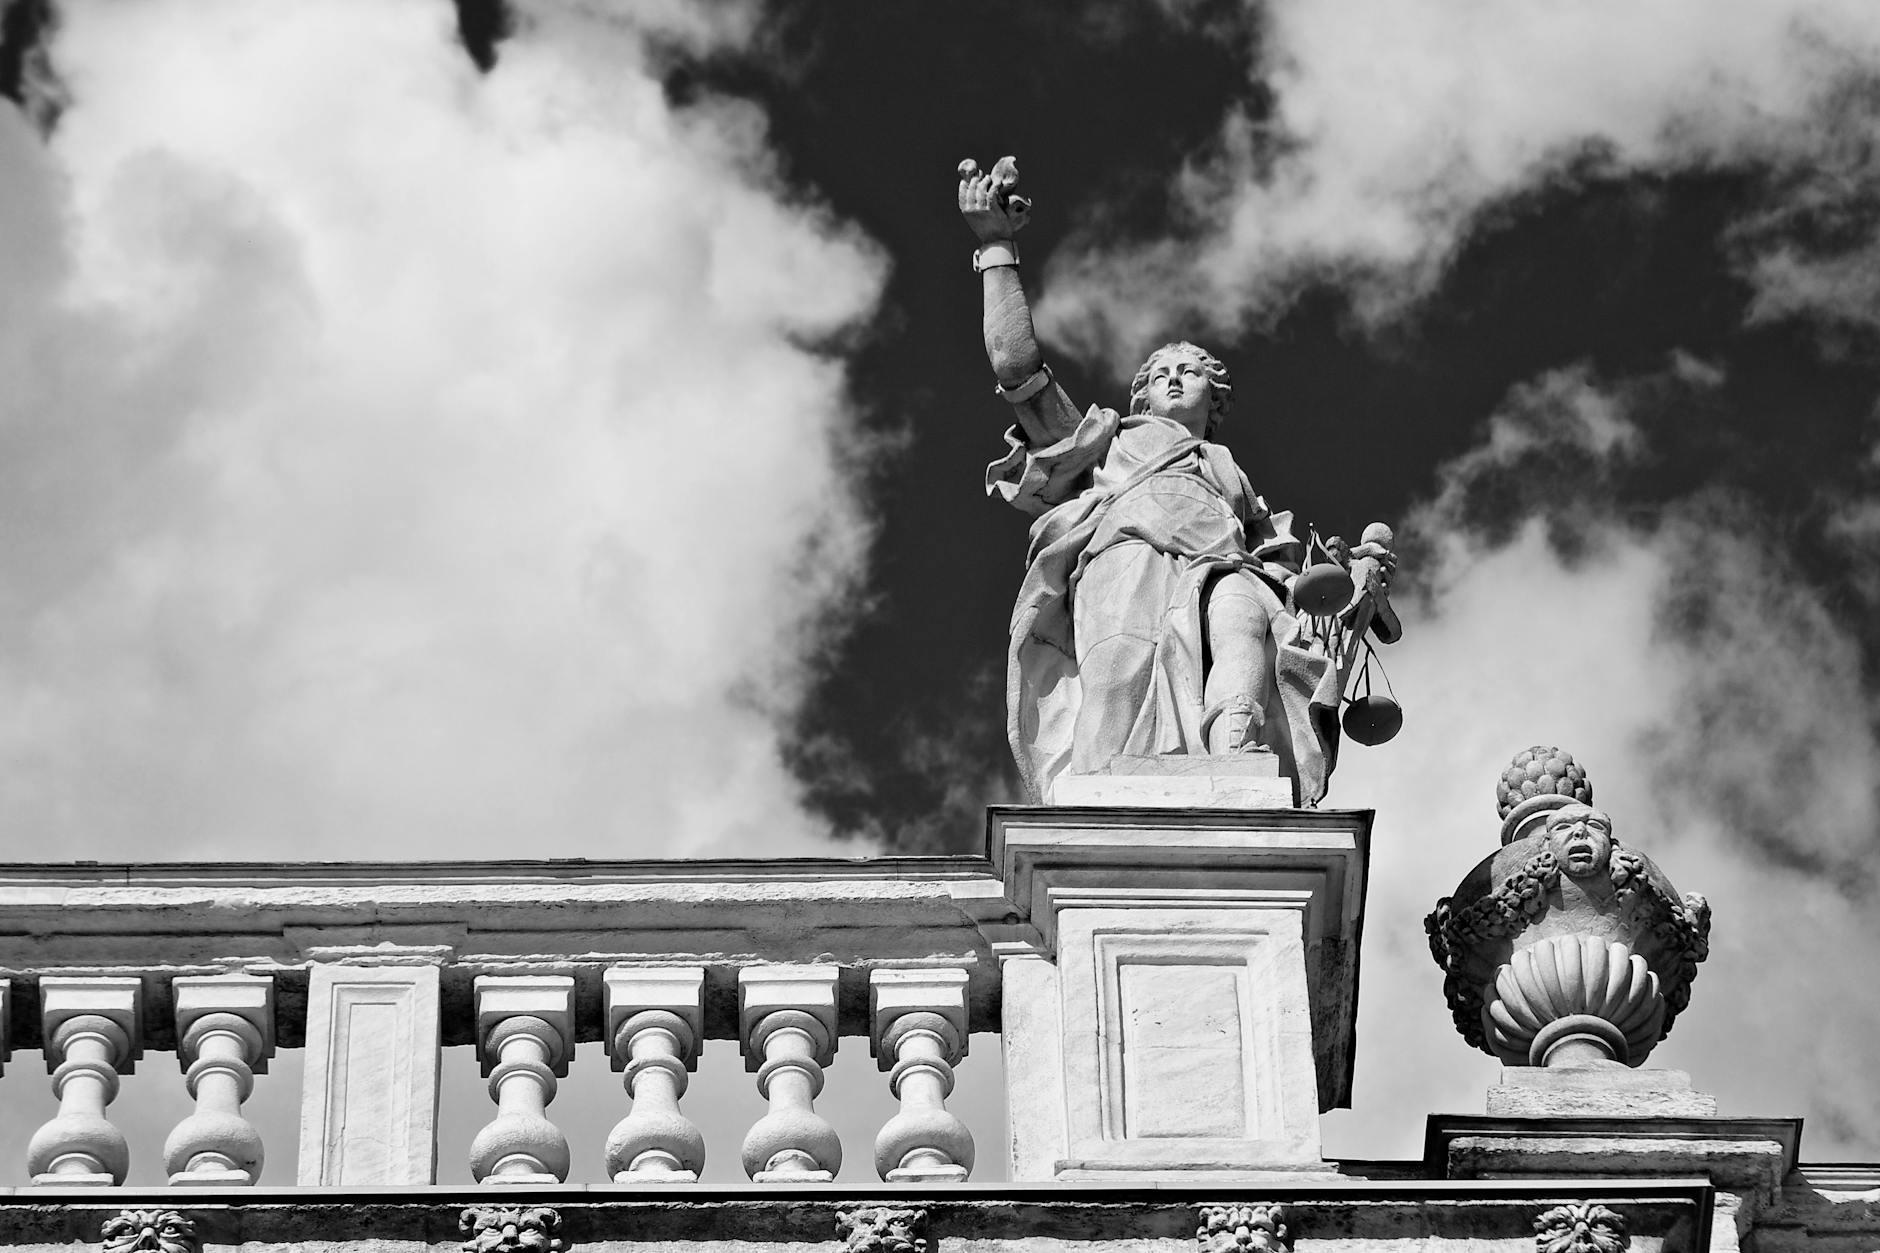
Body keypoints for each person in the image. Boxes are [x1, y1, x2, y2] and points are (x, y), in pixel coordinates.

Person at [959, 157, 1348, 804]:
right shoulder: (1110, 439)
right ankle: (1091, 823)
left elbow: (1287, 570)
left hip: (1224, 567)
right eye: (1161, 371)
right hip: (1128, 554)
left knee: (1243, 629)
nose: (1173, 377)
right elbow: (1016, 368)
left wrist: (1342, 582)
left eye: (1190, 371)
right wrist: (996, 248)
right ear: (1141, 393)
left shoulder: (1232, 474)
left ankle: (1238, 759)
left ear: (1213, 397)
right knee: (1115, 678)